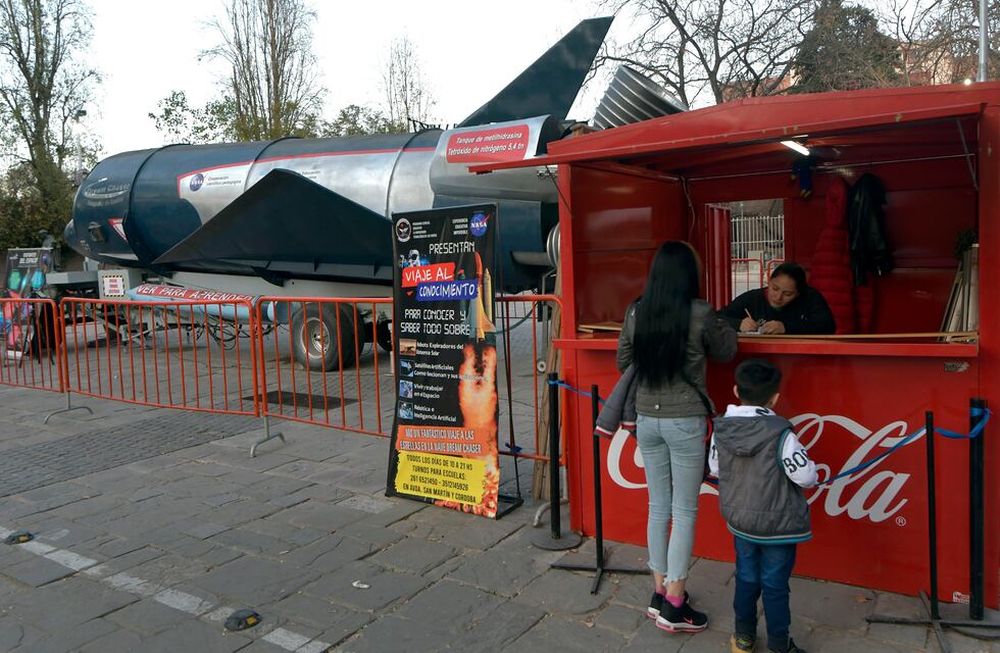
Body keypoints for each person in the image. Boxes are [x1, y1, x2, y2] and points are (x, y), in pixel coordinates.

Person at [617, 241, 738, 633]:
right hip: (685, 420)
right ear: (689, 275)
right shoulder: (701, 313)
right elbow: (726, 351)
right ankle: (674, 602)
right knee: (684, 511)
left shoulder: (636, 311)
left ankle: (658, 592)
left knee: (658, 507)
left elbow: (624, 362)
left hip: (646, 420)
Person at [708, 359, 818, 653]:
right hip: (778, 525)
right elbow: (806, 476)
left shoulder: (722, 429)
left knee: (745, 577)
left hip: (741, 519)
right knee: (775, 584)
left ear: (736, 390)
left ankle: (744, 637)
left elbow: (715, 468)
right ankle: (780, 644)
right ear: (775, 398)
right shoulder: (781, 433)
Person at [720, 262, 835, 335]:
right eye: (774, 288)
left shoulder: (810, 298)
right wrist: (738, 324)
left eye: (787, 294)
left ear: (798, 293)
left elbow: (827, 326)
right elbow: (716, 318)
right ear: (769, 281)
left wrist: (786, 327)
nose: (778, 297)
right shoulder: (752, 299)